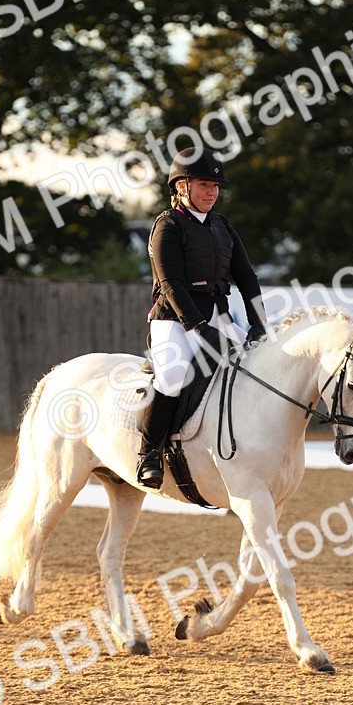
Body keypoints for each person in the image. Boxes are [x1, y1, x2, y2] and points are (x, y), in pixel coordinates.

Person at [136, 146, 267, 489]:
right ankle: (149, 453)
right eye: (205, 184)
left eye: (216, 186)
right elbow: (171, 284)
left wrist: (258, 322)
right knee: (173, 376)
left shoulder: (223, 227)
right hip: (175, 319)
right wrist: (198, 327)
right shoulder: (168, 226)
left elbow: (247, 277)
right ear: (182, 186)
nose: (213, 192)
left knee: (259, 365)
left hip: (218, 315)